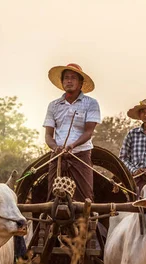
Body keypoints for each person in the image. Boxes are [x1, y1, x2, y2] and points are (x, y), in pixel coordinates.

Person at [43, 63, 101, 201]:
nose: (69, 81)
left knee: (85, 197)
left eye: (73, 78)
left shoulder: (91, 103)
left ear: (81, 83)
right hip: (57, 157)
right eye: (66, 78)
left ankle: (85, 221)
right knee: (52, 198)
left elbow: (88, 132)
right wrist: (55, 147)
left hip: (81, 156)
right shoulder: (53, 105)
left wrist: (72, 146)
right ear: (62, 82)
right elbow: (48, 135)